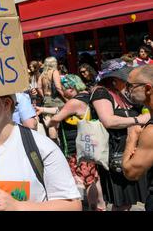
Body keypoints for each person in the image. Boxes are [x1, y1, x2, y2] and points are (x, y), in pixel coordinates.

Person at [91, 59, 150, 211]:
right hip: (116, 151)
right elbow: (108, 120)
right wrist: (138, 120)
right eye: (124, 78)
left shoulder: (121, 94)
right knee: (122, 202)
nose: (127, 81)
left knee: (129, 200)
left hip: (129, 148)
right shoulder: (101, 93)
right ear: (114, 79)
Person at [40, 74, 105, 210]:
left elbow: (57, 117)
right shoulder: (87, 96)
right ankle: (100, 206)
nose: (62, 92)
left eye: (63, 89)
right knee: (92, 177)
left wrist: (48, 122)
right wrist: (44, 109)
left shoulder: (73, 102)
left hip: (76, 147)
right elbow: (63, 109)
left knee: (82, 180)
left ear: (71, 88)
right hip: (89, 144)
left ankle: (87, 207)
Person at [122, 65, 153, 211]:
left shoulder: (151, 131)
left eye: (130, 86)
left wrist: (131, 139)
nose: (125, 90)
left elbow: (131, 171)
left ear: (148, 88)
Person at [37, 57, 66, 142]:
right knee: (57, 124)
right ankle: (60, 144)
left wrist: (44, 97)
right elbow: (58, 87)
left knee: (50, 124)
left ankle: (54, 143)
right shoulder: (54, 72)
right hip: (55, 100)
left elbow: (39, 87)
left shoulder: (42, 74)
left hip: (46, 99)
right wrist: (65, 97)